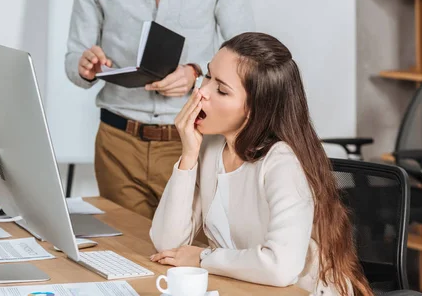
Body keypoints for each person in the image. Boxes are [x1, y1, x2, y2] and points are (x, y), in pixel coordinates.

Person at [64, 0, 254, 219]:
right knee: (125, 256)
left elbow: (246, 54)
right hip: (118, 146)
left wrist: (196, 73)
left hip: (193, 138)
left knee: (189, 253)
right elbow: (73, 59)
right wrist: (85, 66)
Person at [149, 32, 372, 296]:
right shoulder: (210, 147)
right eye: (207, 76)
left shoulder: (282, 163)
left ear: (255, 108)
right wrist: (187, 157)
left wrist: (202, 258)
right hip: (242, 289)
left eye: (221, 89)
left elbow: (280, 268)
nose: (201, 92)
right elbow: (168, 245)